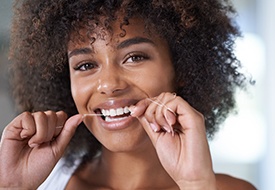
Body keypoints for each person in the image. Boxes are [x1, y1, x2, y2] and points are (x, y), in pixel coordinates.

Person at [0, 0, 256, 189]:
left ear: (182, 69)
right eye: (86, 65)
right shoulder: (40, 184)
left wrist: (195, 183)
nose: (109, 84)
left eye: (134, 57)